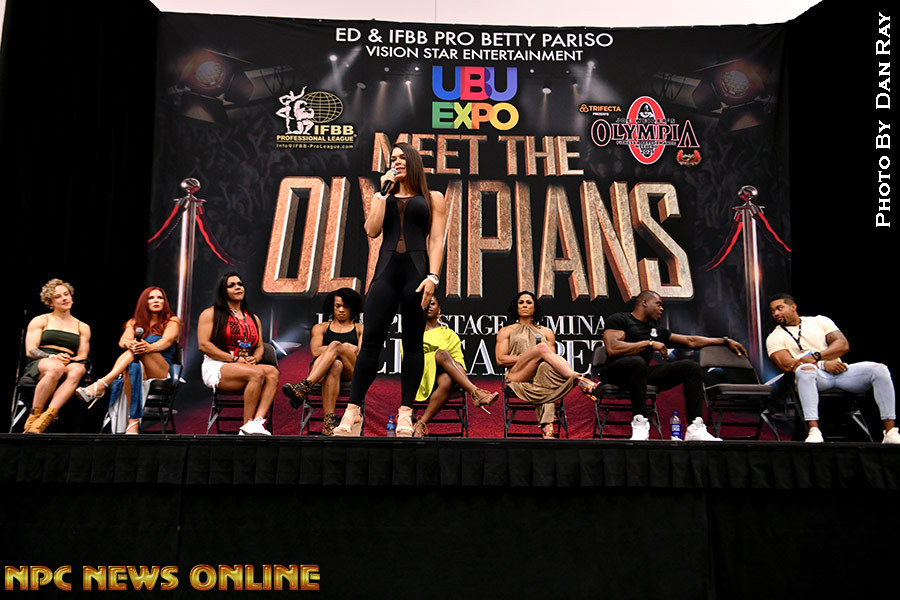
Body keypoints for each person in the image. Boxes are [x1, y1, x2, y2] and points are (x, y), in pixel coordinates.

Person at [334, 143, 448, 437]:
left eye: (401, 157)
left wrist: (433, 277)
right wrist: (382, 194)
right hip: (385, 274)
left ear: (412, 161)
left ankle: (406, 413)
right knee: (371, 342)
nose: (396, 162)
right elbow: (372, 231)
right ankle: (352, 411)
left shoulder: (433, 197)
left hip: (417, 275)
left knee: (413, 344)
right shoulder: (381, 195)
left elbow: (437, 240)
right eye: (393, 158)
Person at [601, 290, 747, 441]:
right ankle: (640, 422)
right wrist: (649, 344)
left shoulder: (655, 330)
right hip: (616, 373)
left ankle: (695, 427)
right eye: (658, 304)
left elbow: (690, 341)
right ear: (644, 302)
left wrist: (724, 341)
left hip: (641, 375)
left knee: (690, 367)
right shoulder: (620, 319)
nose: (661, 309)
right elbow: (612, 348)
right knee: (636, 362)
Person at [766, 293, 898, 443]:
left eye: (780, 308)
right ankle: (814, 430)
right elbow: (787, 364)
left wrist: (817, 356)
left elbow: (842, 345)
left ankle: (890, 432)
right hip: (816, 378)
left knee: (879, 369)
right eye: (773, 311)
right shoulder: (774, 337)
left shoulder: (820, 321)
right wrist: (822, 364)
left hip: (840, 372)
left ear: (793, 307)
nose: (776, 313)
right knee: (805, 370)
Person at [75, 287, 182, 434]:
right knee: (133, 365)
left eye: (160, 297)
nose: (156, 300)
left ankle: (102, 384)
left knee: (138, 350)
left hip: (161, 369)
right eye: (151, 298)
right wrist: (129, 343)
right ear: (144, 302)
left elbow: (167, 341)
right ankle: (133, 423)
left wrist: (149, 347)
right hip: (140, 368)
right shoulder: (134, 322)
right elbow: (123, 340)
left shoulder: (172, 321)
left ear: (165, 302)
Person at [495, 291, 597, 439]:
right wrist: (532, 355)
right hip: (517, 375)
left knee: (545, 371)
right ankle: (579, 379)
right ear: (515, 307)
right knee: (542, 348)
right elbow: (501, 359)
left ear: (535, 307)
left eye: (529, 302)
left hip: (541, 377)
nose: (524, 305)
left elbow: (552, 362)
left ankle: (547, 428)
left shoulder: (547, 332)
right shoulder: (506, 331)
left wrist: (538, 357)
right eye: (521, 302)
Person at [197, 272, 280, 436]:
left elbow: (259, 346)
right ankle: (246, 425)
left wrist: (255, 358)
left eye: (240, 284)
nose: (238, 287)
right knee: (256, 374)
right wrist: (234, 359)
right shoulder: (211, 313)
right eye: (232, 285)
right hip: (218, 363)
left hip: (245, 364)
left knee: (273, 372)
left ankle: (257, 422)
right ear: (223, 291)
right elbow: (204, 345)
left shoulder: (253, 318)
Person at [410, 296, 499, 437]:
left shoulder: (449, 334)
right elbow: (409, 357)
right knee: (443, 354)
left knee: (447, 380)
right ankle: (476, 393)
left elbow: (458, 362)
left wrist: (440, 357)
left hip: (441, 377)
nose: (429, 306)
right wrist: (435, 355)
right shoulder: (413, 332)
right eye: (426, 303)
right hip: (419, 374)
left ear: (439, 309)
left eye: (432, 304)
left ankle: (421, 424)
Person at [282, 288, 364, 436]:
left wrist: (339, 348)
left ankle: (304, 386)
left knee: (336, 346)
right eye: (337, 306)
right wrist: (345, 348)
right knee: (336, 364)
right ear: (332, 307)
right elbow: (315, 351)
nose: (341, 310)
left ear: (352, 308)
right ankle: (328, 423)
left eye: (345, 306)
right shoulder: (320, 328)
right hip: (327, 371)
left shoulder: (360, 328)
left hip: (351, 371)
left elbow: (360, 353)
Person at [22, 278, 91, 433]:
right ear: (50, 302)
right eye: (58, 297)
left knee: (79, 369)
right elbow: (31, 350)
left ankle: (47, 417)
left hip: (68, 360)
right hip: (43, 360)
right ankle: (34, 415)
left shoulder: (82, 326)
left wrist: (68, 359)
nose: (64, 298)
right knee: (55, 368)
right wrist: (52, 357)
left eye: (66, 294)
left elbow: (82, 355)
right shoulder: (41, 320)